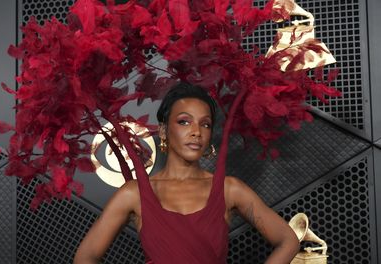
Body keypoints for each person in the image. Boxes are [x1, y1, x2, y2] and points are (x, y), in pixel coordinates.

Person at [74, 82, 299, 264]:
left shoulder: (229, 189)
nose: (196, 132)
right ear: (163, 130)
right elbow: (85, 257)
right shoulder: (134, 194)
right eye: (184, 122)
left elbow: (288, 241)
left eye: (206, 125)